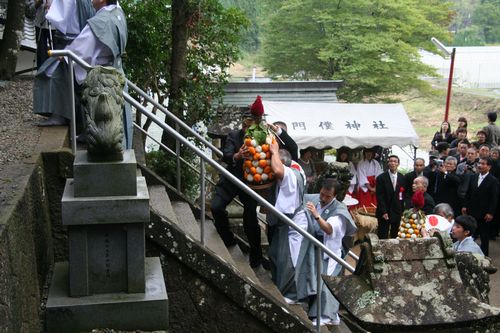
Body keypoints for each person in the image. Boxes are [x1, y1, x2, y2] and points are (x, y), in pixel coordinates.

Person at [211, 109, 264, 268]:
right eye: (245, 126)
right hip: (232, 177)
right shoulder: (234, 136)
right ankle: (227, 238)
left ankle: (256, 255)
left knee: (250, 220)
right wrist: (237, 155)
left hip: (250, 181)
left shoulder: (262, 137)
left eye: (250, 127)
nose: (246, 130)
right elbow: (226, 155)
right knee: (216, 207)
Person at [33, 0, 95, 127]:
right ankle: (62, 115)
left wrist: (52, 6)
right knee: (61, 78)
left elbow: (56, 17)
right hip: (74, 39)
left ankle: (65, 117)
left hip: (73, 41)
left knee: (59, 78)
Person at [305, 179, 357, 327]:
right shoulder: (315, 200)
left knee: (327, 283)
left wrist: (316, 215)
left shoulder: (340, 211)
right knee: (316, 280)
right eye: (322, 194)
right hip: (316, 247)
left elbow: (329, 229)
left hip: (330, 250)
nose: (323, 198)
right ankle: (329, 315)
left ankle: (327, 315)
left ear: (335, 196)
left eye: (327, 196)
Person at [267, 144, 315, 304]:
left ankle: (293, 295)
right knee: (276, 255)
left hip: (295, 223)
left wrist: (274, 151)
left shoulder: (289, 173)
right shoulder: (293, 171)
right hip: (287, 222)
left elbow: (278, 170)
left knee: (291, 260)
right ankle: (282, 288)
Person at [462, 157, 499, 256]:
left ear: (489, 167)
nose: (480, 165)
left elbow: (494, 198)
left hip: (484, 213)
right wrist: (465, 206)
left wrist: (490, 212)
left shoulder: (493, 180)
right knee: (470, 234)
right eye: (479, 163)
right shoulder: (473, 177)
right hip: (472, 211)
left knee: (484, 236)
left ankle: (484, 257)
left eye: (483, 164)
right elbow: (468, 193)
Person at [375, 155, 405, 239]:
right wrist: (384, 211)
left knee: (395, 234)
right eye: (391, 161)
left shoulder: (402, 178)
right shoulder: (381, 178)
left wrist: (402, 210)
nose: (393, 163)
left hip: (397, 211)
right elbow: (379, 196)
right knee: (383, 234)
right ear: (388, 163)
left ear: (398, 164)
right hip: (384, 211)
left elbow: (402, 195)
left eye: (395, 161)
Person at [26, 0, 54, 69]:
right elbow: (30, 11)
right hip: (40, 23)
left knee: (56, 50)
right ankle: (41, 74)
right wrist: (38, 3)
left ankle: (56, 73)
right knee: (41, 52)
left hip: (55, 25)